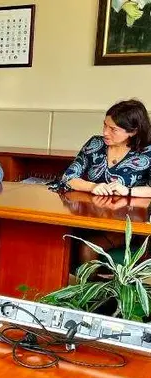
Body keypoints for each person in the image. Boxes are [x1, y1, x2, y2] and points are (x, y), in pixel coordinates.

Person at [51, 99, 151, 263]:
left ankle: (95, 288)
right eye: (104, 125)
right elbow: (68, 177)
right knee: (55, 239)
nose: (105, 132)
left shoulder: (147, 151)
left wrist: (129, 191)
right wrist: (93, 186)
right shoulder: (95, 144)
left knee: (87, 249)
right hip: (88, 218)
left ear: (132, 131)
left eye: (113, 129)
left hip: (126, 225)